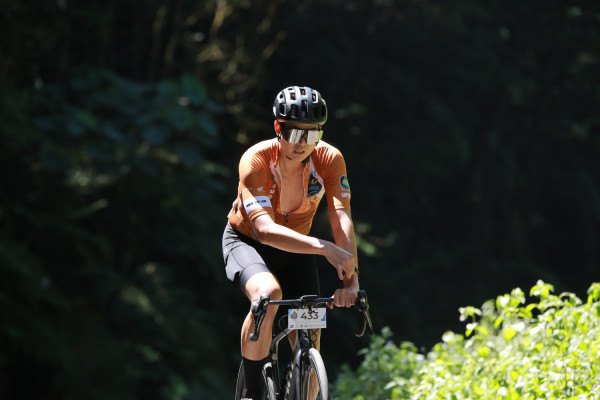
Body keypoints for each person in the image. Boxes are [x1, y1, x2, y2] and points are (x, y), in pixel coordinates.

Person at [222, 85, 359, 399]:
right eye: (294, 133)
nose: (302, 144)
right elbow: (264, 230)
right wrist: (324, 247)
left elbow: (341, 218)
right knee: (268, 295)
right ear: (277, 128)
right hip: (248, 243)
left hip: (297, 251)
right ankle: (252, 392)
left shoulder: (329, 159)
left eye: (312, 135)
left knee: (309, 331)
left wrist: (351, 280)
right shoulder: (256, 160)